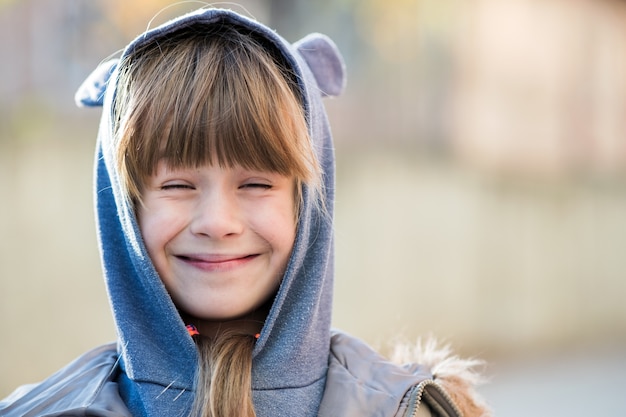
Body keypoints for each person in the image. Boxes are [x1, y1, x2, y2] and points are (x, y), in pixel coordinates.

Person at [0, 7, 490, 417]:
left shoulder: (417, 410)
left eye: (256, 183)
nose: (217, 222)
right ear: (126, 206)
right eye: (177, 184)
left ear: (305, 204)